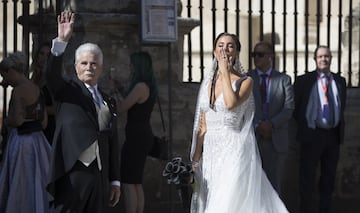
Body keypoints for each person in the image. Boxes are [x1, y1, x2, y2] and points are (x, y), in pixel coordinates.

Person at [190, 32, 288, 213]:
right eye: (220, 45)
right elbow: (202, 126)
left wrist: (226, 73)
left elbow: (230, 103)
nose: (224, 49)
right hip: (211, 152)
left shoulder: (246, 81)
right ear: (214, 51)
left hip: (233, 150)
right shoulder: (207, 84)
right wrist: (195, 160)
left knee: (226, 203)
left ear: (236, 52)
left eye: (230, 46)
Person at [45, 11, 121, 212]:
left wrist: (115, 180)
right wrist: (61, 41)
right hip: (73, 173)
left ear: (101, 68)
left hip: (100, 175)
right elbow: (50, 74)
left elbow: (112, 141)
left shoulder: (109, 100)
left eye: (94, 63)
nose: (89, 67)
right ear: (76, 67)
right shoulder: (67, 92)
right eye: (84, 63)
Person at [293, 45, 347, 213]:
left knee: (328, 178)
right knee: (307, 179)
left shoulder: (340, 81)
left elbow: (341, 106)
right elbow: (296, 108)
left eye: (327, 56)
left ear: (331, 59)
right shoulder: (304, 81)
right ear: (315, 59)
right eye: (320, 56)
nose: (324, 59)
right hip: (312, 135)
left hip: (333, 136)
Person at [0, 52, 52, 213]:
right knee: (37, 180)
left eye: (3, 75)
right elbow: (43, 122)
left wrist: (6, 121)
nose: (3, 80)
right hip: (38, 141)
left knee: (20, 182)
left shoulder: (18, 91)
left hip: (22, 142)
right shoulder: (36, 88)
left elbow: (18, 120)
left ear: (10, 71)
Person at [247, 41, 294, 193]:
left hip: (276, 139)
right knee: (252, 185)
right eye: (254, 54)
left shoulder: (284, 79)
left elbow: (288, 108)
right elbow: (243, 107)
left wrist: (271, 124)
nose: (256, 58)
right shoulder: (247, 78)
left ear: (270, 56)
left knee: (274, 186)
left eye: (260, 54)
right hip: (253, 138)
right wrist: (257, 125)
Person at [118, 51, 158, 213]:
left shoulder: (140, 86)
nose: (130, 67)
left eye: (132, 64)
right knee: (136, 182)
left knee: (128, 183)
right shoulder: (146, 86)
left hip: (136, 138)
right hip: (142, 136)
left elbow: (122, 107)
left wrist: (114, 93)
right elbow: (131, 101)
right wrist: (120, 89)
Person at [30, 42, 56, 143]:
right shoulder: (33, 77)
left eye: (48, 55)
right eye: (41, 53)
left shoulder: (54, 80)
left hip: (50, 127)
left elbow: (57, 109)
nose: (44, 58)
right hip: (33, 127)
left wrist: (37, 108)